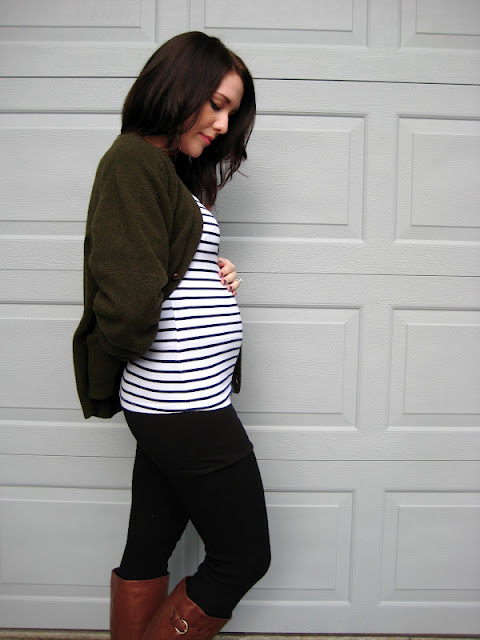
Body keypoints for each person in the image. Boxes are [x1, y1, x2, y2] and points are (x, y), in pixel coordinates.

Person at [73, 31, 270, 640]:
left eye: (231, 112)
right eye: (215, 103)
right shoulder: (133, 160)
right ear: (177, 86)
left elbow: (162, 261)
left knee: (148, 548)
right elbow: (128, 298)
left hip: (177, 398)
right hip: (181, 401)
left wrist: (212, 270)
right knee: (242, 557)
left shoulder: (165, 170)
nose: (222, 124)